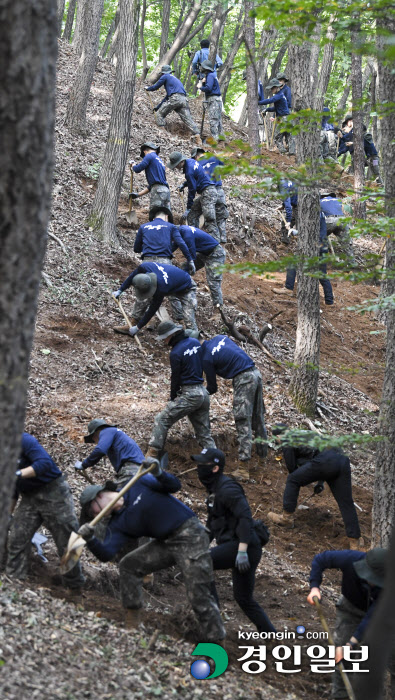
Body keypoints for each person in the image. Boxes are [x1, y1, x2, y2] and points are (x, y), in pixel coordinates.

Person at [77, 460, 225, 641]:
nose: (94, 517)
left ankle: (217, 643)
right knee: (129, 565)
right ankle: (132, 623)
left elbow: (174, 486)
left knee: (198, 593)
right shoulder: (117, 524)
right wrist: (90, 539)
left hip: (190, 534)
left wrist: (159, 473)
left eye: (91, 512)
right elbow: (106, 554)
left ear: (98, 497)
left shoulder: (138, 483)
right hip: (166, 543)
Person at [193, 448, 276, 634]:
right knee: (244, 599)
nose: (198, 468)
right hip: (239, 546)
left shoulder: (228, 489)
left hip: (244, 546)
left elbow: (246, 517)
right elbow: (212, 522)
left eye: (202, 465)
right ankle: (271, 634)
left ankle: (214, 619)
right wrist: (200, 544)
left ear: (214, 468)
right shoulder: (214, 490)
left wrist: (242, 550)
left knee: (202, 562)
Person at [6, 433, 85, 590]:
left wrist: (16, 474)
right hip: (28, 497)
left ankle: (75, 589)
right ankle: (14, 586)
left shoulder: (23, 439)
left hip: (54, 491)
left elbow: (44, 463)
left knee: (69, 542)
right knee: (16, 539)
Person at [307, 548, 387, 698]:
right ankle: (340, 696)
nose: (371, 582)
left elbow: (372, 617)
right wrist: (315, 587)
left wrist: (351, 644)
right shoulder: (351, 559)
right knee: (342, 656)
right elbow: (320, 559)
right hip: (350, 609)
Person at [267, 427, 362, 549]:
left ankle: (286, 518)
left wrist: (304, 478)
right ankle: (355, 541)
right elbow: (320, 458)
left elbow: (292, 470)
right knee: (346, 502)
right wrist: (320, 482)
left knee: (292, 480)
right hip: (341, 458)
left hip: (326, 460)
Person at [145, 321, 216, 460]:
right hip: (203, 393)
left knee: (162, 419)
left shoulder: (176, 352)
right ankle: (215, 460)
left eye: (164, 338)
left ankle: (151, 455)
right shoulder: (195, 343)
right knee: (204, 434)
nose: (164, 341)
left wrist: (173, 397)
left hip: (190, 394)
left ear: (171, 335)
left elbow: (175, 378)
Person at [201, 334, 267, 481]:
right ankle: (263, 460)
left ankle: (243, 469)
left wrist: (199, 393)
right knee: (258, 418)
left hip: (244, 379)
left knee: (243, 420)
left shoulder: (205, 357)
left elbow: (212, 387)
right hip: (255, 373)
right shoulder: (219, 338)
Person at [112, 260, 198, 334]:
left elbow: (153, 309)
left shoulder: (161, 288)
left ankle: (194, 340)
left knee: (189, 317)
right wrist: (120, 290)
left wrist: (138, 327)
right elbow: (132, 277)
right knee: (144, 300)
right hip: (172, 282)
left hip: (187, 288)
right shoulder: (144, 267)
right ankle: (132, 324)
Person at [272, 210, 334, 305]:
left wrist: (294, 232)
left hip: (314, 247)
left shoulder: (315, 214)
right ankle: (329, 301)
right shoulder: (320, 214)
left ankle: (288, 288)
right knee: (322, 274)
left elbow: (310, 233)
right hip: (322, 247)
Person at [74, 419, 145, 487]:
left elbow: (100, 450)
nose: (94, 441)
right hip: (140, 469)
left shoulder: (106, 431)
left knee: (118, 497)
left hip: (132, 469)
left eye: (93, 438)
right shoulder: (115, 434)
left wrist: (84, 464)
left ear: (96, 433)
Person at [168, 151, 220, 240]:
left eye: (176, 165)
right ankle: (195, 236)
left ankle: (215, 241)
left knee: (209, 217)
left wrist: (188, 208)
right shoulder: (191, 162)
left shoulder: (189, 171)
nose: (176, 167)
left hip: (208, 192)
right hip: (206, 192)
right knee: (192, 214)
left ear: (181, 162)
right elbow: (196, 176)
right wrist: (184, 185)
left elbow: (192, 190)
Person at [178, 223, 226, 308]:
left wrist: (189, 266)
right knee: (183, 268)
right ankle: (180, 292)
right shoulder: (182, 230)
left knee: (213, 282)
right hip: (204, 253)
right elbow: (173, 246)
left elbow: (191, 253)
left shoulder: (187, 234)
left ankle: (219, 308)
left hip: (216, 253)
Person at [146, 65, 200, 140]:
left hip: (175, 99)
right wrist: (158, 107)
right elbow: (168, 97)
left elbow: (156, 87)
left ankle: (163, 133)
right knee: (188, 119)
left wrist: (148, 88)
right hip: (184, 99)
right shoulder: (175, 80)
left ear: (163, 73)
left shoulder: (165, 76)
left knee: (159, 114)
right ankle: (197, 135)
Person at [190, 146, 229, 243]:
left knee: (207, 216)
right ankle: (223, 238)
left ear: (195, 156)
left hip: (208, 192)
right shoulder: (214, 157)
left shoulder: (197, 165)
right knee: (220, 216)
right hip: (219, 191)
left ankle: (196, 236)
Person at [129, 142, 171, 211]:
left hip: (158, 192)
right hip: (166, 191)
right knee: (165, 215)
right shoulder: (159, 160)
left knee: (156, 214)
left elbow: (137, 169)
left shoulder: (149, 155)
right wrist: (138, 194)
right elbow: (153, 185)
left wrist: (133, 165)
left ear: (145, 151)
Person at [259, 78, 294, 155]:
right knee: (289, 136)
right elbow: (276, 108)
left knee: (278, 138)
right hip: (287, 118)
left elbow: (270, 100)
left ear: (277, 87)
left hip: (283, 119)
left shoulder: (279, 95)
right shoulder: (280, 95)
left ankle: (284, 153)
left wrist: (258, 102)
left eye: (272, 88)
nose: (271, 90)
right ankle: (292, 153)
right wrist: (267, 109)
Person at [320, 191, 354, 261]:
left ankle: (322, 258)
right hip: (342, 220)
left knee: (319, 237)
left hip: (329, 220)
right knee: (346, 243)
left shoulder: (320, 201)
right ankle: (352, 263)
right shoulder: (338, 200)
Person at [198, 60, 224, 141]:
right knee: (218, 120)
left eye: (202, 67)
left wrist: (200, 87)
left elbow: (208, 88)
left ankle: (215, 140)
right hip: (217, 99)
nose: (200, 68)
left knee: (213, 120)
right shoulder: (211, 76)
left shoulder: (210, 76)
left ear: (205, 68)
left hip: (214, 99)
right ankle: (221, 139)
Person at [277, 177, 298, 245]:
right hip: (302, 204)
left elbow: (288, 203)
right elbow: (291, 196)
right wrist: (283, 206)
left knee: (286, 224)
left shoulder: (282, 186)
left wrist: (288, 221)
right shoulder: (288, 182)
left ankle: (284, 244)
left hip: (302, 206)